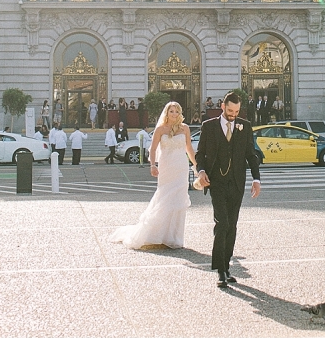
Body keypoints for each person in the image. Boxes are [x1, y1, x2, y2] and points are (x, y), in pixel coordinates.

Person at [195, 91, 262, 287]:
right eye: (230, 110)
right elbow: (201, 154)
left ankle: (226, 265)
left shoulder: (245, 126)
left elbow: (251, 154)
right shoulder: (209, 126)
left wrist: (256, 179)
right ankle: (221, 270)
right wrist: (201, 171)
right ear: (223, 107)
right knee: (222, 223)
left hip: (237, 183)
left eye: (237, 111)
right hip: (216, 183)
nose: (233, 115)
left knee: (232, 225)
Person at [110, 101, 198, 250]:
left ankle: (174, 237)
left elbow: (189, 148)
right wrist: (152, 164)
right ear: (166, 113)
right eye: (171, 111)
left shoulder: (185, 128)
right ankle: (156, 233)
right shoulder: (160, 129)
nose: (174, 114)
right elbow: (153, 149)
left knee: (178, 201)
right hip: (166, 166)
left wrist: (196, 166)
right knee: (164, 198)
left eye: (177, 111)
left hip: (181, 166)